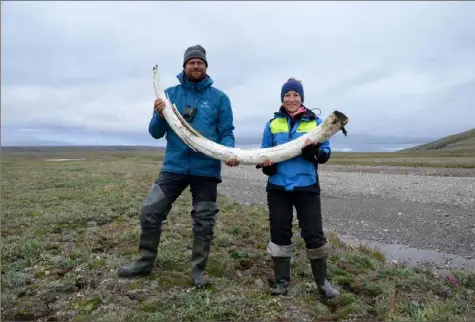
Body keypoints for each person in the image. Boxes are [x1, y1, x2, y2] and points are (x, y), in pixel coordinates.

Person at [118, 45, 239, 288]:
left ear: (206, 66)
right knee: (150, 212)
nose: (196, 66)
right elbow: (155, 133)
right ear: (184, 66)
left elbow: (226, 132)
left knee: (204, 221)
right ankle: (144, 262)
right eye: (191, 62)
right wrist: (159, 115)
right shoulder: (169, 94)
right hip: (173, 167)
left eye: (200, 62)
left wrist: (229, 152)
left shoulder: (220, 98)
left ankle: (197, 271)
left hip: (206, 169)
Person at [257, 77, 339, 299]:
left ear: (302, 98)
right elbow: (264, 152)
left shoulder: (317, 123)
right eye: (287, 95)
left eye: (295, 95)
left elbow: (326, 152)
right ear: (282, 98)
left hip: (307, 186)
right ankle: (282, 283)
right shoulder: (272, 124)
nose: (291, 99)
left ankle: (322, 284)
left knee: (313, 235)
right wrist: (268, 168)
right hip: (278, 187)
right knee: (280, 233)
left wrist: (315, 154)